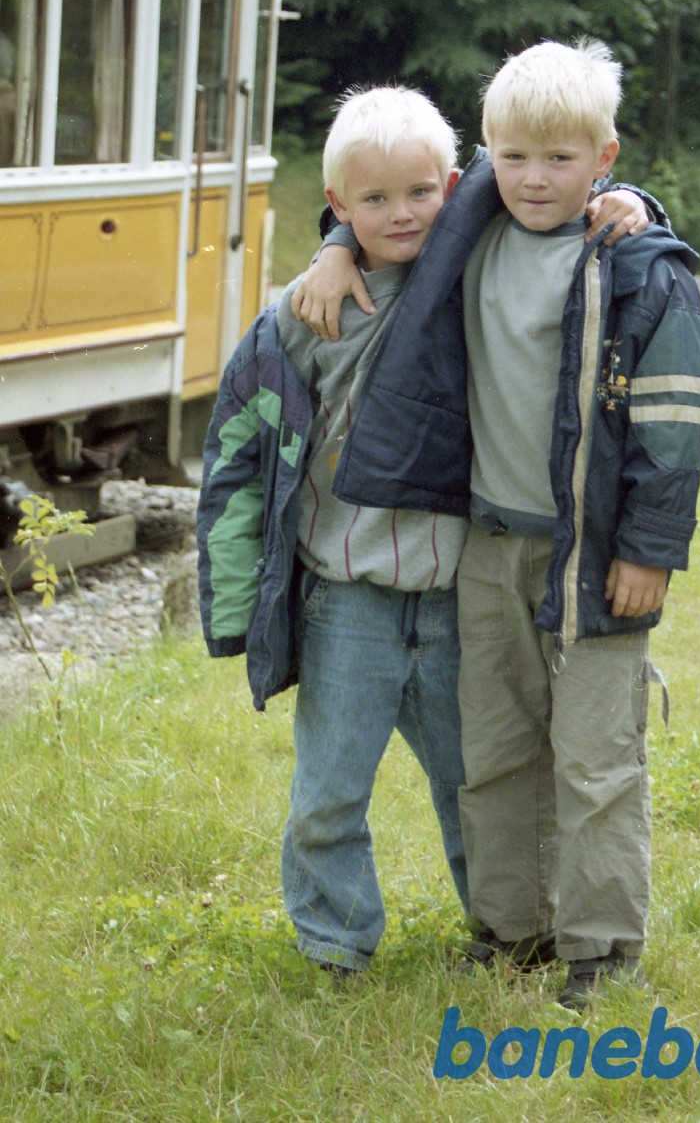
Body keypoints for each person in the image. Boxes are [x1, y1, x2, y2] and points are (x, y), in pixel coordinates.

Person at [291, 40, 700, 1008]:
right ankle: (512, 928)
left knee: (596, 756)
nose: (533, 177)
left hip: (595, 554)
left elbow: (678, 426)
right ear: (483, 157)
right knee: (496, 748)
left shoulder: (639, 265)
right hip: (488, 543)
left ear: (604, 157)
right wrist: (332, 244)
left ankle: (600, 946)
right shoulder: (465, 227)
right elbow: (377, 193)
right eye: (512, 156)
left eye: (561, 159)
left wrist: (651, 548)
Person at [197, 86, 472, 975]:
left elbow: (560, 189)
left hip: (459, 596)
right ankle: (334, 942)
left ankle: (509, 929)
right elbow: (238, 452)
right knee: (328, 792)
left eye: (421, 193)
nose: (402, 214)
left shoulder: (483, 273)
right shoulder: (306, 312)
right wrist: (234, 603)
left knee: (482, 786)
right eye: (374, 200)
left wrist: (632, 205)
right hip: (346, 594)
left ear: (455, 186)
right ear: (339, 208)